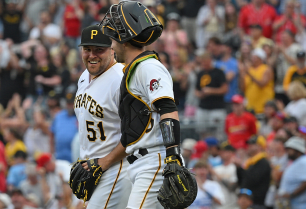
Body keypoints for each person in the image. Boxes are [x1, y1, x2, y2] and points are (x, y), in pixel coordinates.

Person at [99, 1, 196, 208]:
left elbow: (168, 110)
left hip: (156, 162)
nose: (111, 43)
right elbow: (134, 131)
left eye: (114, 36)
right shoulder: (133, 69)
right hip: (140, 163)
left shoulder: (148, 67)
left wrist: (173, 156)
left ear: (124, 40)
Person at [71, 25, 132, 208]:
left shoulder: (121, 79)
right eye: (87, 49)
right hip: (93, 168)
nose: (92, 55)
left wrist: (104, 162)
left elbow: (137, 131)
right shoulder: (84, 77)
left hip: (117, 168)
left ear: (112, 49)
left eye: (99, 49)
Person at [195, 52, 228, 138]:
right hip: (203, 107)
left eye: (205, 61)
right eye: (202, 62)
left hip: (217, 108)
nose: (203, 64)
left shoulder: (219, 72)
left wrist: (211, 91)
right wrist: (200, 94)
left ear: (210, 61)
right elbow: (196, 90)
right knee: (202, 132)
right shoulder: (200, 73)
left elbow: (225, 89)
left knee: (217, 134)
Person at [278, 137, 306, 208]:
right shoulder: (298, 161)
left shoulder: (305, 161)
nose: (287, 152)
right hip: (299, 204)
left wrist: (291, 194)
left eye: (290, 149)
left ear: (297, 150)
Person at [238, 135, 271, 208]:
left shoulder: (263, 162)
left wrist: (241, 168)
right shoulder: (250, 162)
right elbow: (242, 181)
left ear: (260, 146)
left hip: (257, 204)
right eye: (249, 144)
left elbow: (252, 179)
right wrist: (239, 168)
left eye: (252, 144)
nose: (249, 146)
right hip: (248, 203)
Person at [239, 48, 274, 114]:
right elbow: (243, 88)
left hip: (263, 107)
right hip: (250, 107)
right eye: (252, 57)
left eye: (254, 57)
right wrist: (241, 76)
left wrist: (249, 74)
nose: (252, 59)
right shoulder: (249, 70)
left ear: (260, 59)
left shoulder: (266, 69)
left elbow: (262, 84)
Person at [50, 92, 77, 162]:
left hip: (74, 158)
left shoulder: (80, 116)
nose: (69, 106)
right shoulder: (59, 116)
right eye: (68, 104)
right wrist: (52, 153)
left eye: (71, 104)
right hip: (59, 156)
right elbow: (52, 134)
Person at [212, 143, 238, 209]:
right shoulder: (216, 169)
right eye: (221, 151)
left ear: (231, 153)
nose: (221, 153)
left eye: (224, 151)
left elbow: (231, 188)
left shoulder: (235, 168)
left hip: (232, 205)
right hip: (217, 206)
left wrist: (216, 175)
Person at [215, 40, 239, 110]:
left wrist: (217, 78)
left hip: (230, 98)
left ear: (229, 49)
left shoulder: (234, 63)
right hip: (218, 98)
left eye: (222, 47)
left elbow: (229, 78)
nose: (220, 49)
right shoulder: (217, 63)